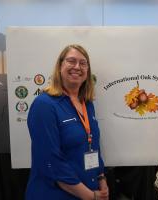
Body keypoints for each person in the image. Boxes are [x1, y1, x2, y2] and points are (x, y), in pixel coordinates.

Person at [26, 44, 108, 200]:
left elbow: (93, 144)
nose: (77, 67)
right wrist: (90, 196)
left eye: (83, 63)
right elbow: (50, 162)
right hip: (55, 194)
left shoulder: (87, 104)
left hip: (89, 189)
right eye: (71, 61)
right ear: (59, 66)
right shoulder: (44, 105)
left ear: (87, 71)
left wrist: (101, 177)